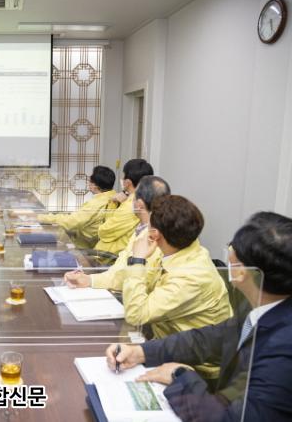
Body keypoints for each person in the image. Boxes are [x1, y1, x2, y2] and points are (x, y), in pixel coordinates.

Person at [105, 212, 292, 421]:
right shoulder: (264, 306)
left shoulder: (283, 351)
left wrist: (180, 377)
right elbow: (209, 338)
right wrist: (141, 352)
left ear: (242, 272)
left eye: (232, 248)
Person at [122, 195, 232, 380]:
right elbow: (146, 287)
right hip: (165, 343)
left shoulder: (191, 275)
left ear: (155, 234)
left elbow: (136, 314)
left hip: (197, 369)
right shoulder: (183, 249)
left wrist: (138, 260)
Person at [64, 175, 170, 290]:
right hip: (114, 278)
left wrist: (91, 280)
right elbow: (118, 272)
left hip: (128, 293)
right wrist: (89, 280)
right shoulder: (142, 229)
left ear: (139, 204)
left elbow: (133, 282)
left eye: (133, 197)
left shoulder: (152, 238)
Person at [37, 166, 117, 248]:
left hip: (83, 246)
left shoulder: (95, 204)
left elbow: (69, 222)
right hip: (90, 241)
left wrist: (39, 217)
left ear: (95, 185)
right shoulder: (113, 197)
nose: (88, 183)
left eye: (90, 181)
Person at [94, 158, 154, 254]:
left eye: (123, 176)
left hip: (111, 256)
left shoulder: (130, 205)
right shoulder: (144, 199)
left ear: (128, 182)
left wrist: (113, 203)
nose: (122, 179)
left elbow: (104, 232)